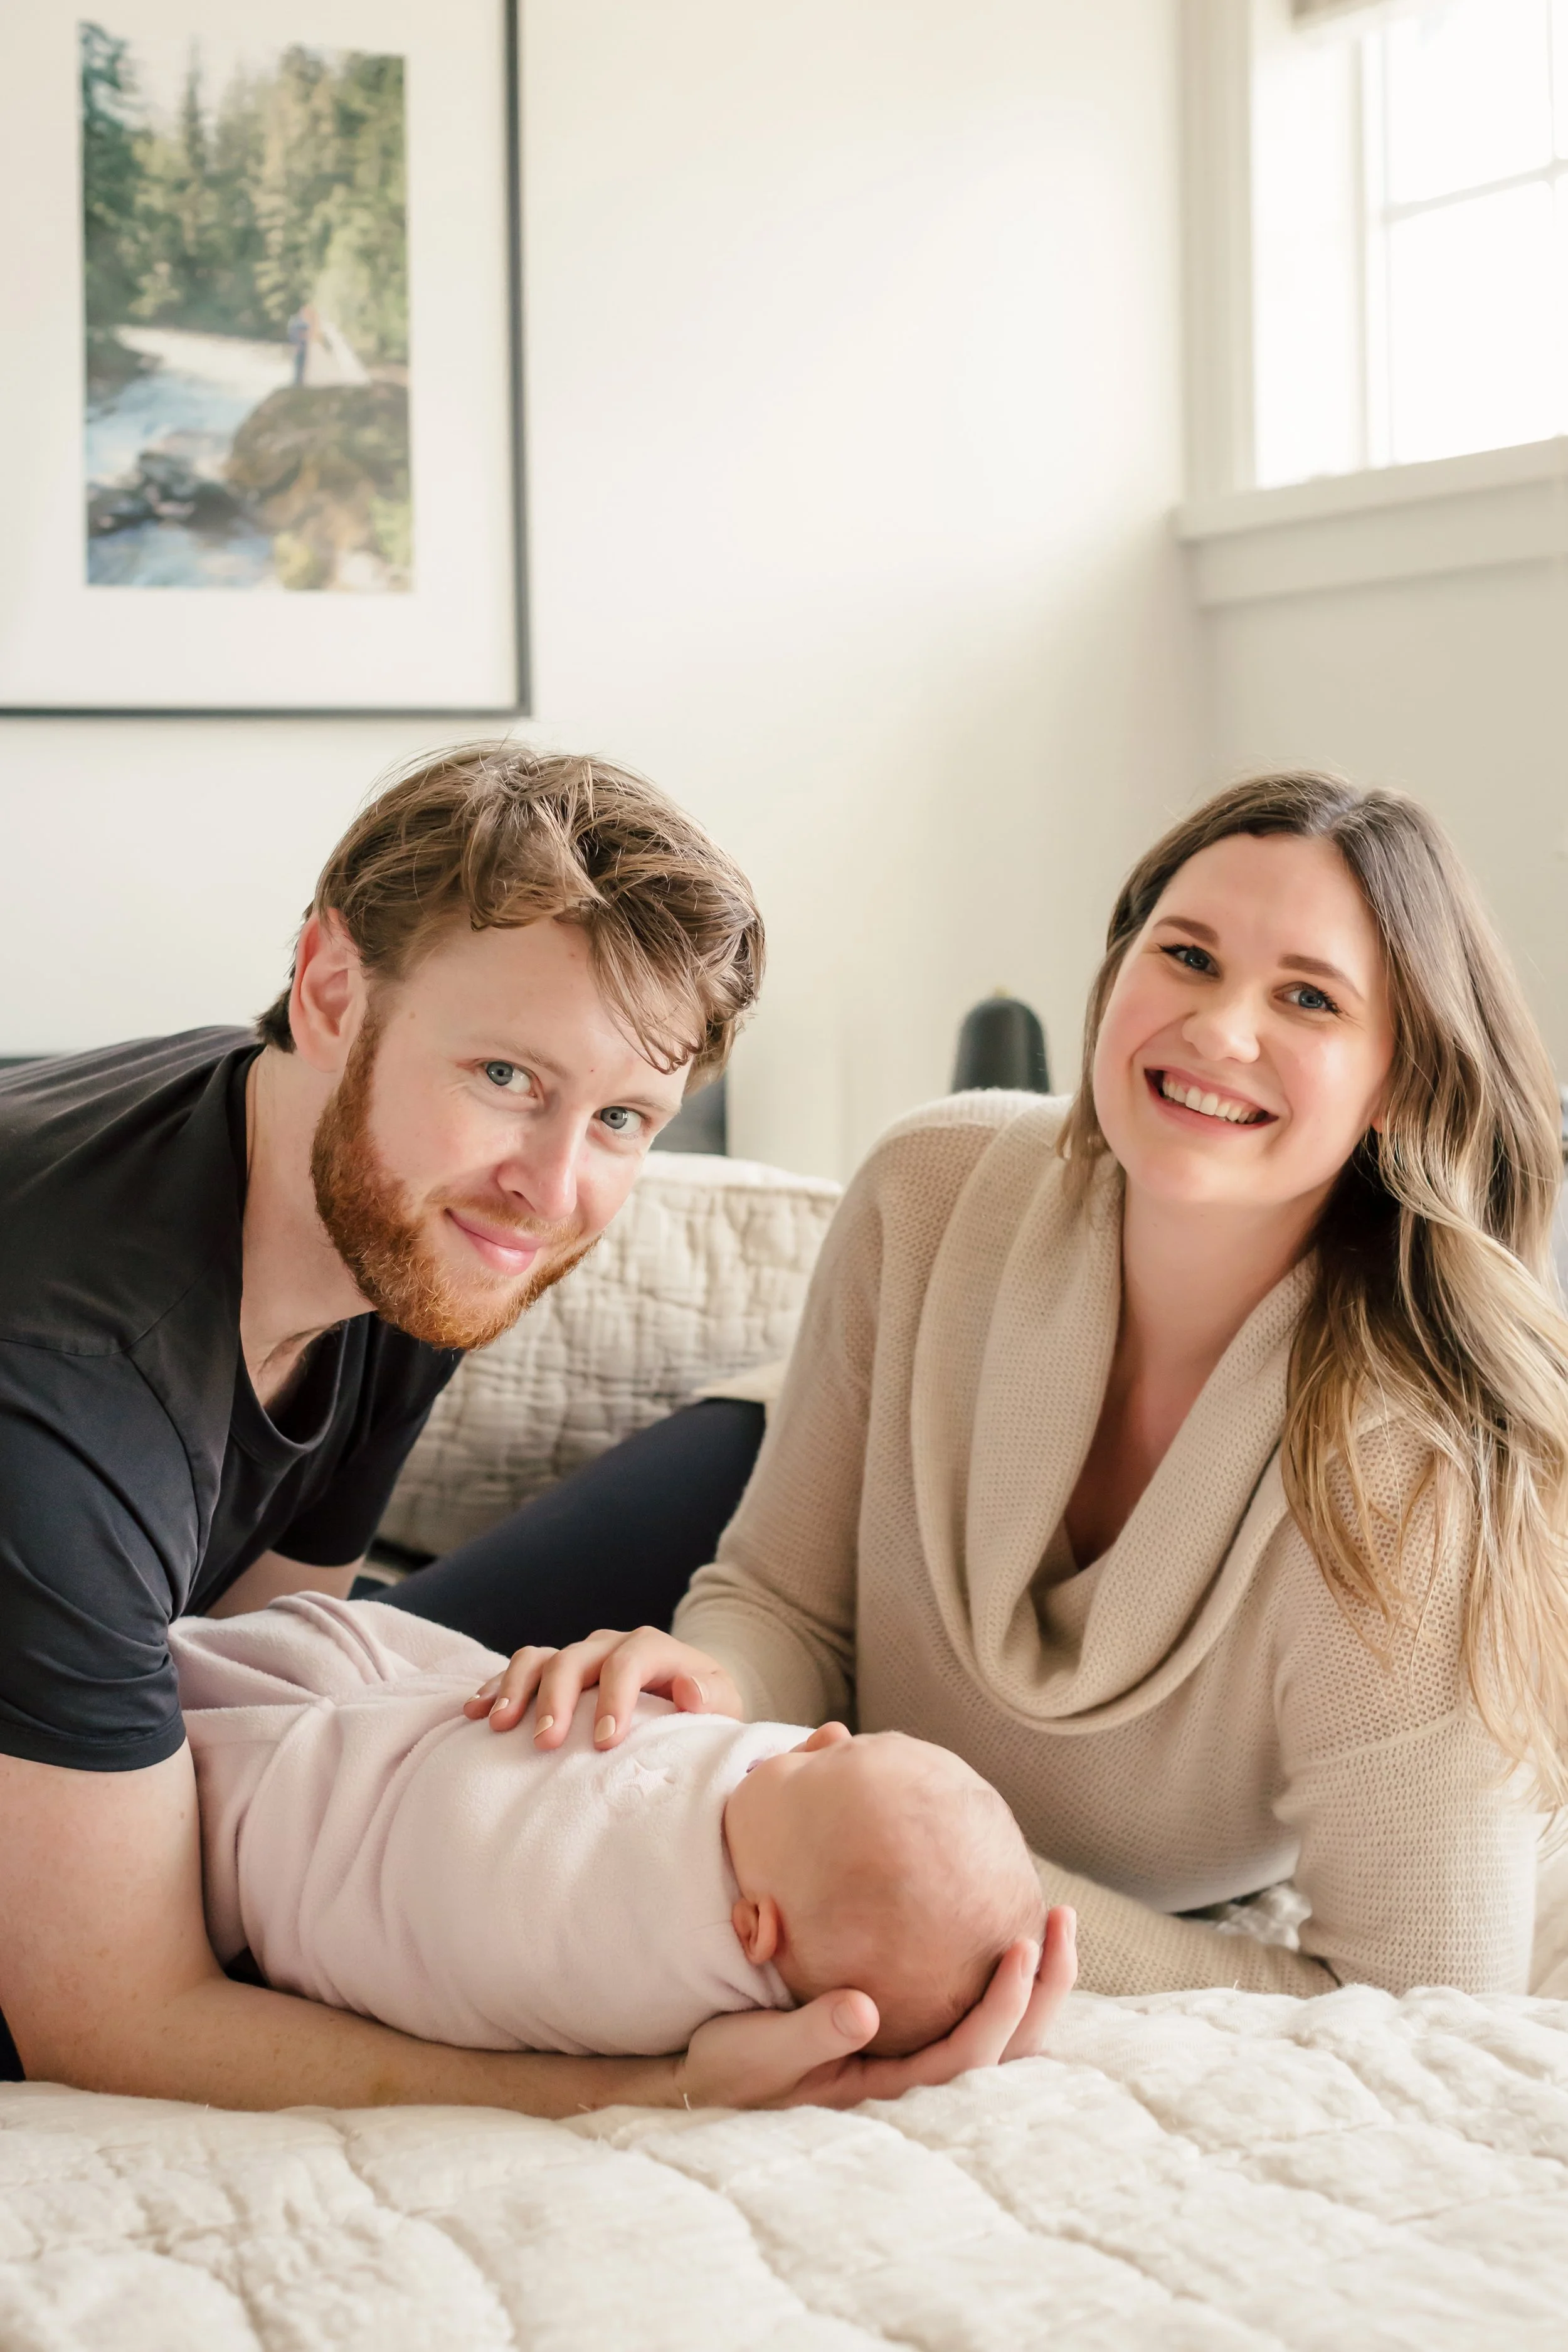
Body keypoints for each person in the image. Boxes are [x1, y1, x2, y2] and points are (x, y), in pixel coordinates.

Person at [0, 746, 1074, 2112]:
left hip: (103, 1678)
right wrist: (654, 2081)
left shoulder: (391, 1213)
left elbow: (265, 1680)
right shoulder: (65, 1389)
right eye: (507, 1074)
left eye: (622, 1116)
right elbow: (112, 2016)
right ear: (330, 988)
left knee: (740, 1472)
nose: (552, 1189)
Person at [458, 771, 1568, 2000]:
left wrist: (964, 1898)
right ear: (1114, 973)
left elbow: (1421, 1990)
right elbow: (784, 1599)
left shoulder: (1412, 1470)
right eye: (1185, 957)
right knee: (350, 1708)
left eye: (1305, 997)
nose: (1217, 1030)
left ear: (1398, 1083)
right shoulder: (928, 1181)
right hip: (755, 1454)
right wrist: (714, 1684)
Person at [172, 1592, 1048, 2061]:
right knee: (315, 1642)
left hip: (339, 1822)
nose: (820, 1730)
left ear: (755, 1927)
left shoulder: (662, 1961)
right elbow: (771, 1631)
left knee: (198, 1779)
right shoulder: (798, 1847)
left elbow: (482, 1899)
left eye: (821, 1760)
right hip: (425, 1699)